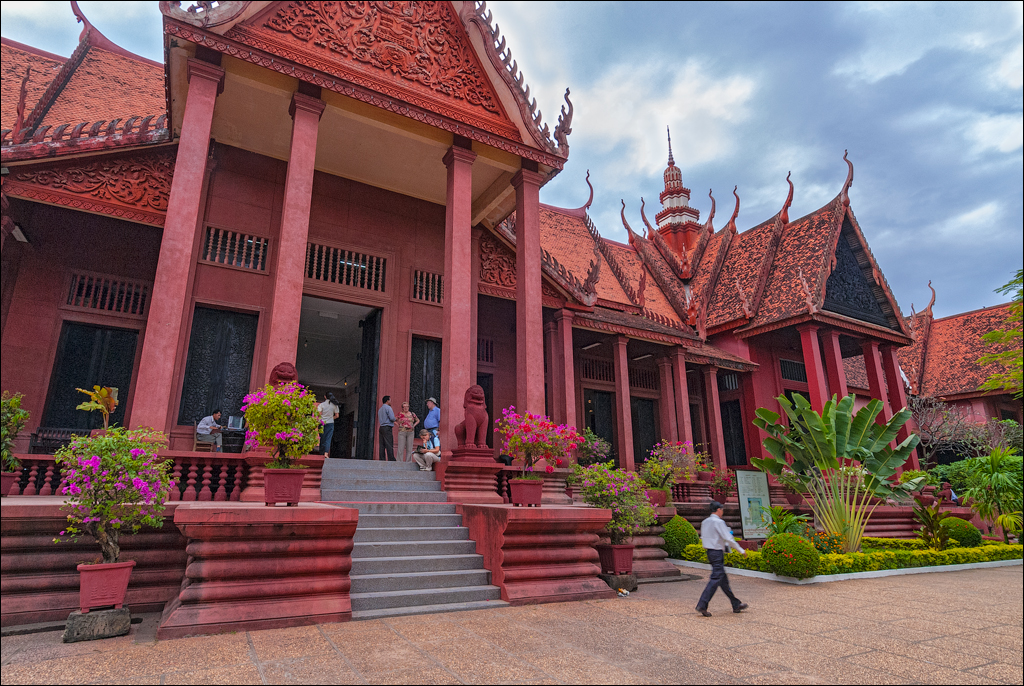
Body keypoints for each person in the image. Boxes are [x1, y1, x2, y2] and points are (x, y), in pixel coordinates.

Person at [696, 500, 749, 617]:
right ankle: (702, 604)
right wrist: (741, 550)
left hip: (710, 552)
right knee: (715, 579)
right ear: (718, 509)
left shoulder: (705, 522)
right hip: (717, 552)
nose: (722, 512)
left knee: (723, 580)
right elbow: (728, 538)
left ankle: (736, 604)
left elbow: (703, 537)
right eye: (722, 509)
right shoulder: (719, 522)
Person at [317, 393, 340, 458]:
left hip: (322, 423)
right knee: (328, 439)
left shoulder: (321, 405)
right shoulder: (335, 405)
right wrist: (330, 418)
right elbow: (337, 416)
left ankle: (321, 453)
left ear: (325, 397)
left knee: (322, 439)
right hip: (330, 424)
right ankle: (326, 453)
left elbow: (318, 414)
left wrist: (323, 418)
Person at [377, 395, 396, 461]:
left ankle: (382, 458)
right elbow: (392, 418)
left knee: (382, 444)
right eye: (390, 400)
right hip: (387, 427)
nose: (391, 401)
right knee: (389, 443)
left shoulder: (380, 409)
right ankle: (391, 459)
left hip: (381, 427)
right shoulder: (388, 408)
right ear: (387, 401)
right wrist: (395, 419)